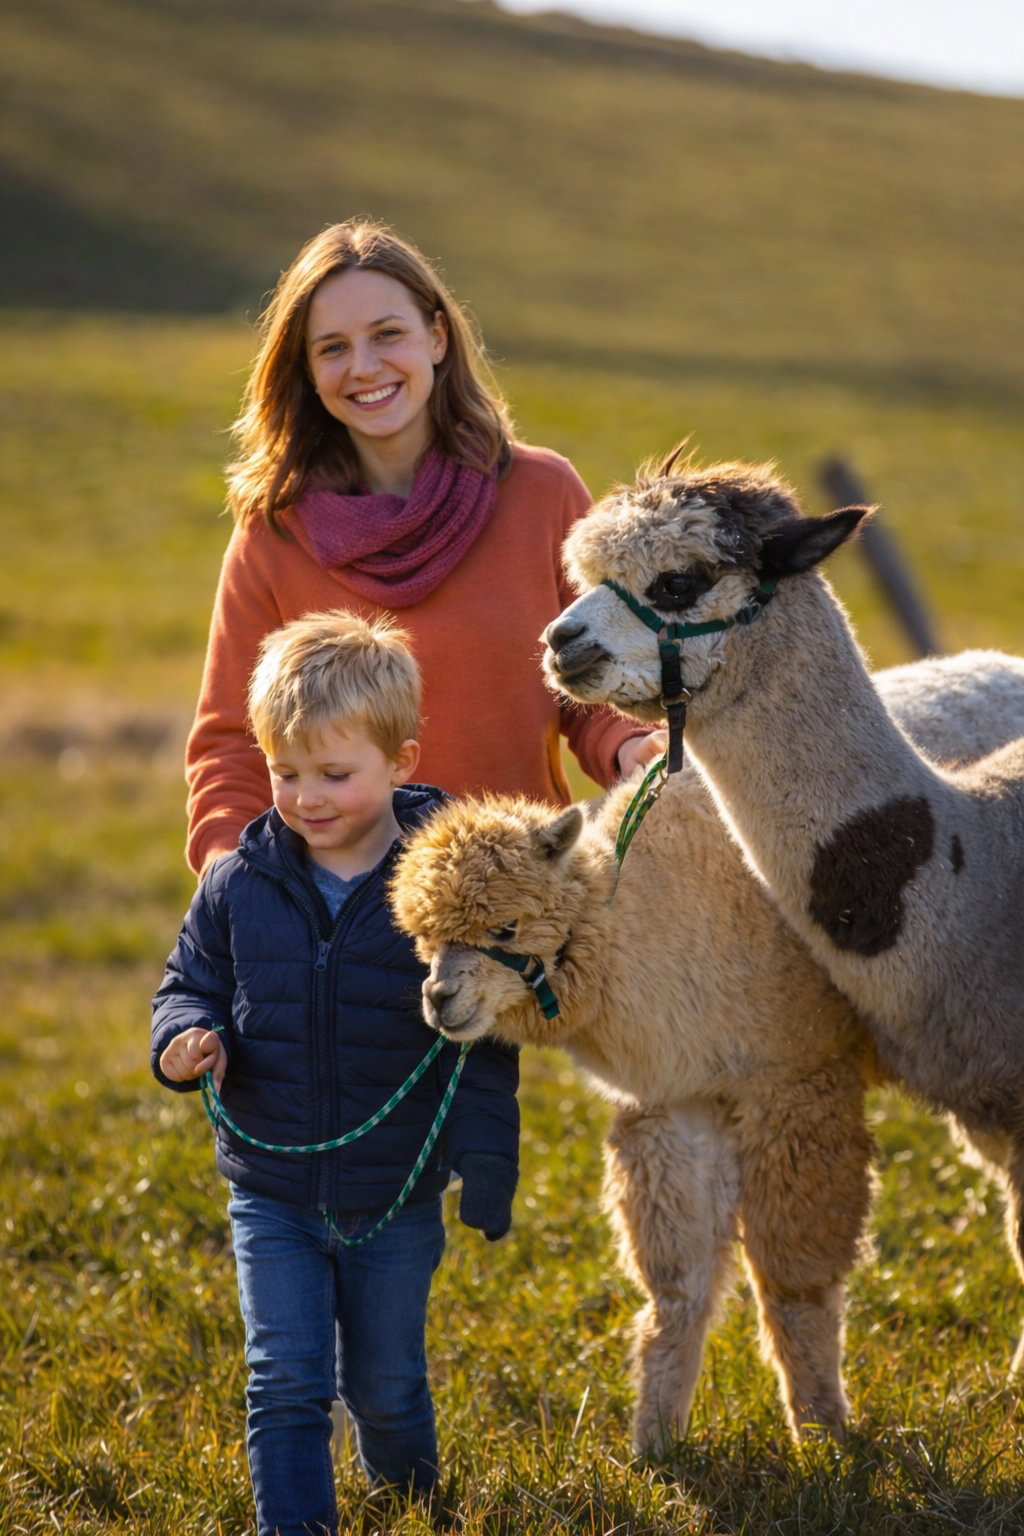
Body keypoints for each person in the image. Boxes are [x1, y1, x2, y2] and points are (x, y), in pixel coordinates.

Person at [152, 610, 519, 1536]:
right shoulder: (239, 880)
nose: (306, 797)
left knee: (387, 1389)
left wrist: (489, 1163)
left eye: (334, 774)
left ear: (401, 762)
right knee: (284, 1380)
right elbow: (187, 980)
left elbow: (484, 1045)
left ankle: (411, 1501)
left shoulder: (442, 890)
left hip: (395, 1190)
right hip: (271, 1188)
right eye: (285, 773)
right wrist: (185, 1037)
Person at [185, 217, 661, 878]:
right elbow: (231, 745)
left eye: (387, 335)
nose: (364, 367)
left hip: (516, 898)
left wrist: (635, 750)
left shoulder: (542, 492)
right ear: (308, 371)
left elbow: (594, 689)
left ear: (437, 336)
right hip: (339, 917)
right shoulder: (274, 532)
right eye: (332, 348)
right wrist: (229, 878)